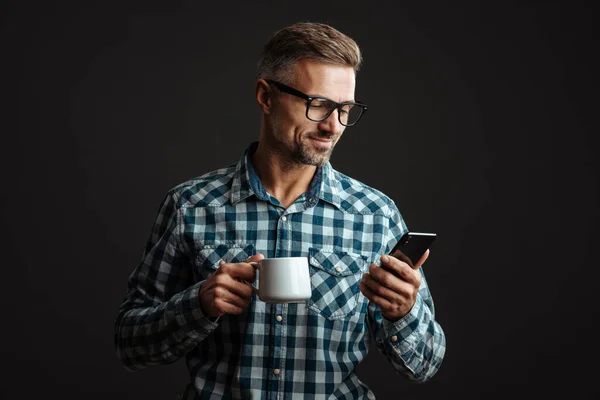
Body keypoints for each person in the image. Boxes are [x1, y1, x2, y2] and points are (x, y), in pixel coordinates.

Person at [114, 21, 446, 399]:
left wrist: (403, 313)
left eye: (345, 110)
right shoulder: (191, 206)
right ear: (266, 96)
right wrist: (199, 304)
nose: (333, 126)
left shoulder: (375, 215)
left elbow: (425, 364)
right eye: (318, 105)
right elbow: (129, 345)